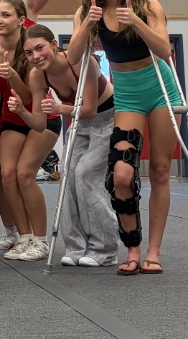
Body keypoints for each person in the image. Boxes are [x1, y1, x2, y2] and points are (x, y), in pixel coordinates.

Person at [68, 0, 182, 276]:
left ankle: (153, 252)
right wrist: (85, 25)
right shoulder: (87, 11)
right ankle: (132, 246)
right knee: (121, 175)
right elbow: (73, 57)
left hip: (160, 88)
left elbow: (164, 49)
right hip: (128, 94)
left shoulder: (147, 5)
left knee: (160, 171)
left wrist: (135, 22)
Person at [23, 25, 117, 267]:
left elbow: (90, 110)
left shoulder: (82, 63)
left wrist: (61, 109)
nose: (36, 56)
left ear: (54, 45)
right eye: (29, 53)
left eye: (40, 48)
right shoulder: (37, 75)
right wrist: (20, 111)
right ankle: (76, 246)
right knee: (67, 177)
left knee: (85, 175)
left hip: (107, 118)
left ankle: (104, 249)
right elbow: (39, 123)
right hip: (79, 122)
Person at [0, 0, 60, 262]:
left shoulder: (30, 50)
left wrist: (12, 75)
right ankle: (23, 236)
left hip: (39, 116)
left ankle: (40, 239)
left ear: (21, 20)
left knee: (25, 174)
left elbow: (29, 97)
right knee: (6, 174)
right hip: (11, 116)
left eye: (5, 16)